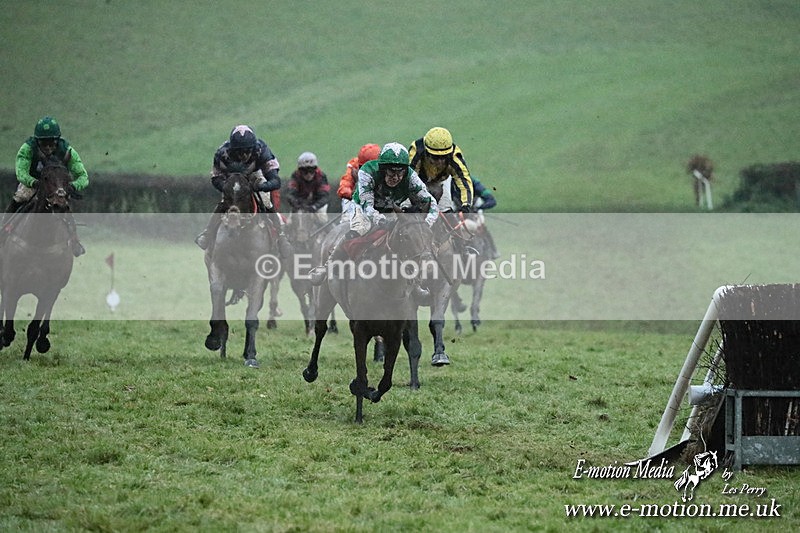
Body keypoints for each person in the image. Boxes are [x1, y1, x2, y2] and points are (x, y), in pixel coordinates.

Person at [309, 142, 439, 284]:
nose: (395, 177)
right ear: (382, 169)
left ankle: (416, 282)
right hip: (363, 207)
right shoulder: (367, 172)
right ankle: (327, 267)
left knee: (412, 231)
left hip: (391, 208)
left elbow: (431, 203)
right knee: (360, 228)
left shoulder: (411, 176)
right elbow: (367, 206)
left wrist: (425, 224)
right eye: (391, 172)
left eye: (400, 172)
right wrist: (381, 221)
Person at [195, 125, 290, 255]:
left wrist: (260, 187)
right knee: (226, 200)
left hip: (255, 175)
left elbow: (275, 181)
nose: (244, 154)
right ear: (232, 149)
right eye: (239, 151)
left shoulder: (262, 150)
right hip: (233, 177)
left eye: (247, 150)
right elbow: (216, 177)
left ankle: (281, 237)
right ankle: (208, 233)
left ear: (253, 148)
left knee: (266, 200)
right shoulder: (222, 153)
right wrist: (227, 188)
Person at [2, 116, 88, 256]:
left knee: (64, 205)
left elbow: (83, 177)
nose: (48, 147)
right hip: (32, 183)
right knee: (19, 199)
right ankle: (3, 231)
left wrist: (72, 186)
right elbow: (21, 173)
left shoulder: (67, 151)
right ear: (37, 141)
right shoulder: (27, 149)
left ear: (57, 140)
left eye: (51, 143)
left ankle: (74, 241)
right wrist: (34, 183)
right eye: (44, 143)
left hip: (56, 186)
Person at [408, 126, 474, 213]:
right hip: (415, 181)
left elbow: (463, 180)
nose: (440, 161)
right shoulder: (416, 151)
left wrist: (466, 205)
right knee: (406, 207)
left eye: (444, 157)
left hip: (440, 182)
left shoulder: (455, 157)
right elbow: (408, 179)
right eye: (435, 157)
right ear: (426, 152)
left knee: (445, 211)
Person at [286, 151, 330, 224]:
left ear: (315, 170)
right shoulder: (295, 176)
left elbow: (324, 196)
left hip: (317, 204)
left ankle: (329, 233)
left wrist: (314, 207)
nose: (309, 174)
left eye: (311, 171)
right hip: (300, 204)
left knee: (323, 219)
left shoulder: (321, 176)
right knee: (289, 222)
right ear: (300, 171)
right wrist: (298, 204)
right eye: (305, 171)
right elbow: (290, 194)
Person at [337, 143, 380, 214]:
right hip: (356, 200)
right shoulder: (354, 168)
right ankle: (347, 219)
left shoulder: (387, 170)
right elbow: (343, 189)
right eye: (362, 166)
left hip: (378, 200)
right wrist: (354, 191)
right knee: (347, 204)